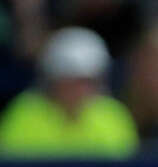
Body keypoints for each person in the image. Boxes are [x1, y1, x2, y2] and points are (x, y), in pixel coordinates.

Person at [0, 26, 138, 159]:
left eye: (88, 82)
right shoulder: (24, 113)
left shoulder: (113, 115)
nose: (81, 90)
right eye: (72, 81)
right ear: (53, 79)